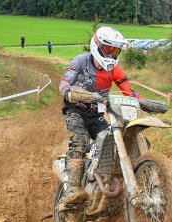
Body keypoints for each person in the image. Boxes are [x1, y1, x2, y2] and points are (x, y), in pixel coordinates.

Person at [58, 26, 142, 207]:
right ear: (97, 46)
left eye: (115, 51)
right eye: (108, 49)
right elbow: (65, 81)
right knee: (80, 140)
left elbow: (128, 91)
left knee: (112, 142)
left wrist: (141, 101)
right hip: (76, 110)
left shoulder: (115, 70)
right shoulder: (81, 61)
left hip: (96, 114)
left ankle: (106, 180)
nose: (111, 55)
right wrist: (67, 91)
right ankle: (71, 188)